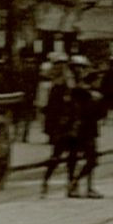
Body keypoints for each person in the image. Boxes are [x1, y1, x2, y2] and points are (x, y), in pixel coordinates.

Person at [40, 58, 79, 198]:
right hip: (61, 127)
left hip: (71, 125)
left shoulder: (70, 86)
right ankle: (46, 181)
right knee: (56, 157)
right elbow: (50, 110)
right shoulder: (56, 88)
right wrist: (52, 130)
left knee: (72, 157)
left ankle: (70, 185)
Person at [67, 55, 105, 198]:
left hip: (85, 127)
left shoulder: (81, 88)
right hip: (81, 128)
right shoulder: (78, 88)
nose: (79, 70)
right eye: (77, 68)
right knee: (84, 159)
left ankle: (81, 186)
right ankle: (75, 185)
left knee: (87, 159)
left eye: (82, 68)